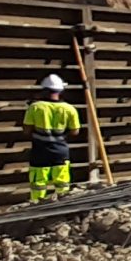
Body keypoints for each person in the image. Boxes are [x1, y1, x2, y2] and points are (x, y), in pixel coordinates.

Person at [23, 72, 82, 202]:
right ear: (60, 90)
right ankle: (63, 207)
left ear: (44, 90)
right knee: (62, 184)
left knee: (38, 183)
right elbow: (75, 131)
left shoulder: (35, 107)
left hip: (40, 151)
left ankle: (37, 206)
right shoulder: (69, 109)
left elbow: (26, 130)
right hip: (60, 151)